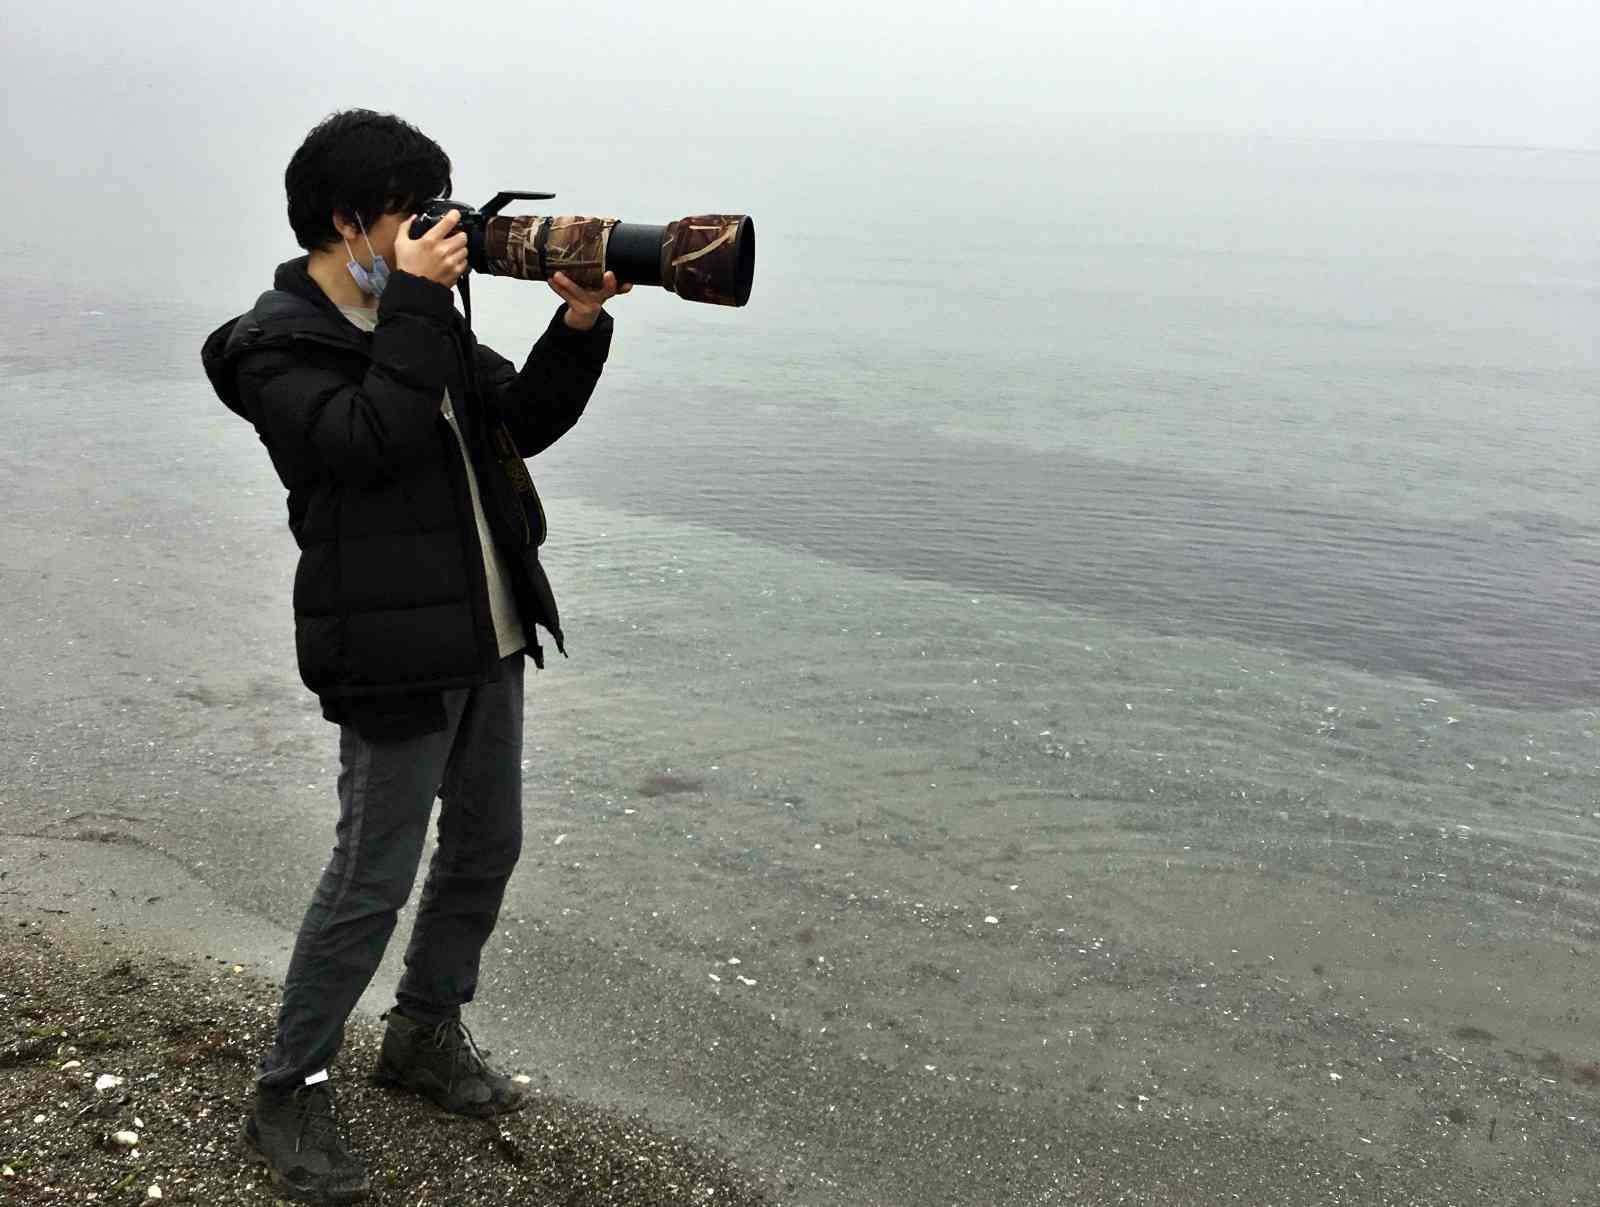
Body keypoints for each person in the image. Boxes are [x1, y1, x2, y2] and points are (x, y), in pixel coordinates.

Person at [201, 109, 627, 1204]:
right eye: (410, 212)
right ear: (348, 221)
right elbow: (361, 442)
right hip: (388, 647)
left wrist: (577, 322)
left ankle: (424, 1032)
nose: (436, 230)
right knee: (369, 877)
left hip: (487, 631)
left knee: (488, 844)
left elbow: (518, 420)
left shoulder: (413, 313)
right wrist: (426, 301)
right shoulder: (275, 344)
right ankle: (287, 1084)